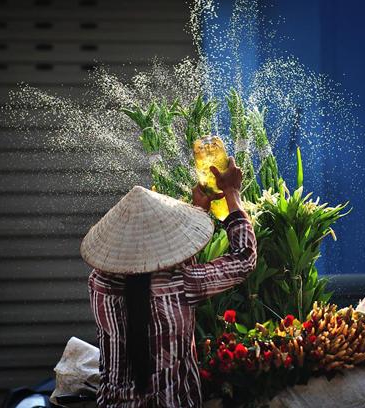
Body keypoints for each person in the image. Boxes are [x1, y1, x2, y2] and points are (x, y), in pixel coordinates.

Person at [81, 158, 257, 408]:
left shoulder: (98, 282)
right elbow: (244, 259)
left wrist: (200, 210)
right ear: (164, 244)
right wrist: (232, 193)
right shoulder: (182, 284)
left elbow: (145, 286)